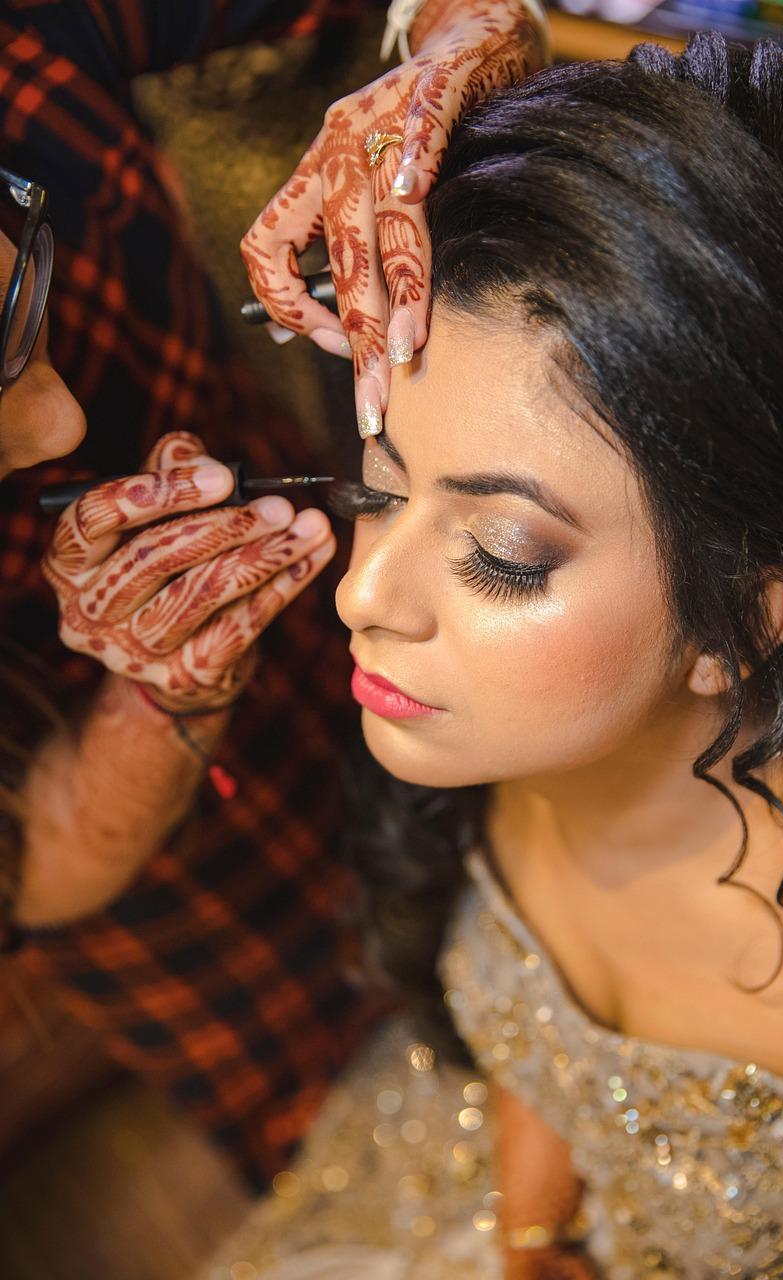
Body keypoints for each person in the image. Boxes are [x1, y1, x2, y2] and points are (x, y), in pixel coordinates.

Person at [201, 31, 783, 1280]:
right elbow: (548, 1067)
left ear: (746, 616)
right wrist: (527, 1234)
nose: (364, 595)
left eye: (502, 553)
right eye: (378, 493)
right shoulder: (514, 730)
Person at [0, 0, 547, 1188]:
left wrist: (456, 47)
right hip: (203, 888)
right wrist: (161, 700)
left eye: (11, 301)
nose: (64, 424)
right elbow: (29, 861)